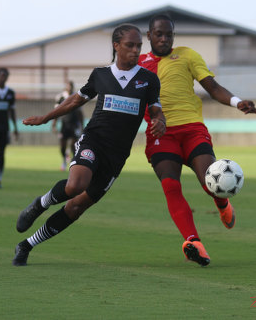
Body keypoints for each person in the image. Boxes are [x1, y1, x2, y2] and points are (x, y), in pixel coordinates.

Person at [12, 23, 166, 266]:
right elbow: (76, 100)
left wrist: (160, 121)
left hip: (117, 156)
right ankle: (39, 204)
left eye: (138, 46)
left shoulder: (148, 80)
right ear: (116, 46)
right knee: (75, 185)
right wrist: (45, 117)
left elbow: (157, 111)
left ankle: (26, 245)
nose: (136, 50)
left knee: (75, 208)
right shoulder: (101, 75)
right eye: (130, 45)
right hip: (94, 141)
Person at [138, 14, 256, 267]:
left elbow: (213, 87)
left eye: (168, 34)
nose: (164, 39)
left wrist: (238, 102)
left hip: (192, 129)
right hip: (161, 134)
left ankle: (222, 202)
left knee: (210, 182)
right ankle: (193, 242)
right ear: (148, 35)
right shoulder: (137, 64)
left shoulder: (187, 55)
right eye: (158, 34)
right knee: (171, 186)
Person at [51, 81, 84, 171]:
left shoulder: (77, 96)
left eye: (71, 86)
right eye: (68, 86)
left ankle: (72, 163)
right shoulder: (60, 97)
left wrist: (82, 126)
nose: (69, 88)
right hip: (64, 125)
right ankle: (64, 159)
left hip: (74, 124)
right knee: (62, 146)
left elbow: (80, 112)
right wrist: (54, 124)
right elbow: (56, 111)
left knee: (74, 145)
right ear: (65, 87)